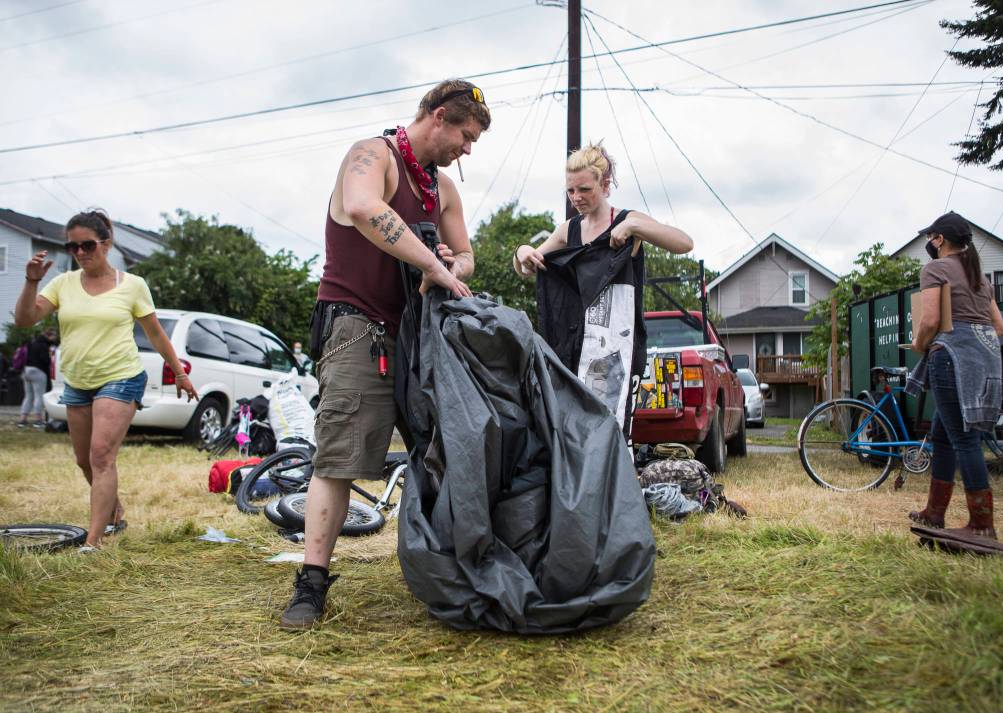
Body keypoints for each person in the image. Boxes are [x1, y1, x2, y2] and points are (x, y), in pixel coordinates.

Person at [279, 79, 489, 630]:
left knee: (447, 449)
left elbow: (466, 257)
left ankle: (454, 569)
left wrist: (450, 261)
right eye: (464, 137)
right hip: (357, 326)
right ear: (439, 116)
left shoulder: (441, 189)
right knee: (341, 456)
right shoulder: (372, 155)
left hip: (421, 333)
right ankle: (311, 584)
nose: (467, 150)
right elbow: (362, 206)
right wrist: (432, 264)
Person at [14, 209, 198, 550]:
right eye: (72, 247)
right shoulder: (62, 284)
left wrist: (181, 374)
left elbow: (156, 334)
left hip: (121, 376)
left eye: (88, 245)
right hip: (78, 380)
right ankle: (114, 509)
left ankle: (95, 540)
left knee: (101, 456)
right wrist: (31, 281)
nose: (81, 253)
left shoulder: (132, 286)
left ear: (106, 244)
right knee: (84, 460)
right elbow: (25, 320)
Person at [512, 143, 693, 429]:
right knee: (570, 429)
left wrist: (636, 227)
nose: (576, 198)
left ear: (605, 184)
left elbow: (684, 243)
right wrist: (522, 251)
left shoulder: (626, 220)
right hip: (570, 348)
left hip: (613, 352)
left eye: (584, 189)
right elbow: (527, 268)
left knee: (608, 430)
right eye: (570, 191)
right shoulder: (569, 230)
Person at [909, 211, 1003, 538]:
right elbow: (999, 326)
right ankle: (935, 513)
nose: (928, 244)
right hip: (985, 358)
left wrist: (920, 344)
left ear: (939, 239)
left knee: (964, 438)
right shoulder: (980, 276)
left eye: (930, 238)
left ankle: (981, 524)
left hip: (952, 358)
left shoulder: (936, 268)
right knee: (943, 433)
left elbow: (931, 319)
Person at [17, 329, 55, 427]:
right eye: (54, 336)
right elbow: (45, 360)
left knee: (28, 396)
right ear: (49, 336)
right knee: (39, 395)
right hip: (38, 371)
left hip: (26, 371)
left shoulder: (32, 343)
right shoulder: (44, 345)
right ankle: (38, 420)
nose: (55, 338)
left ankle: (23, 419)